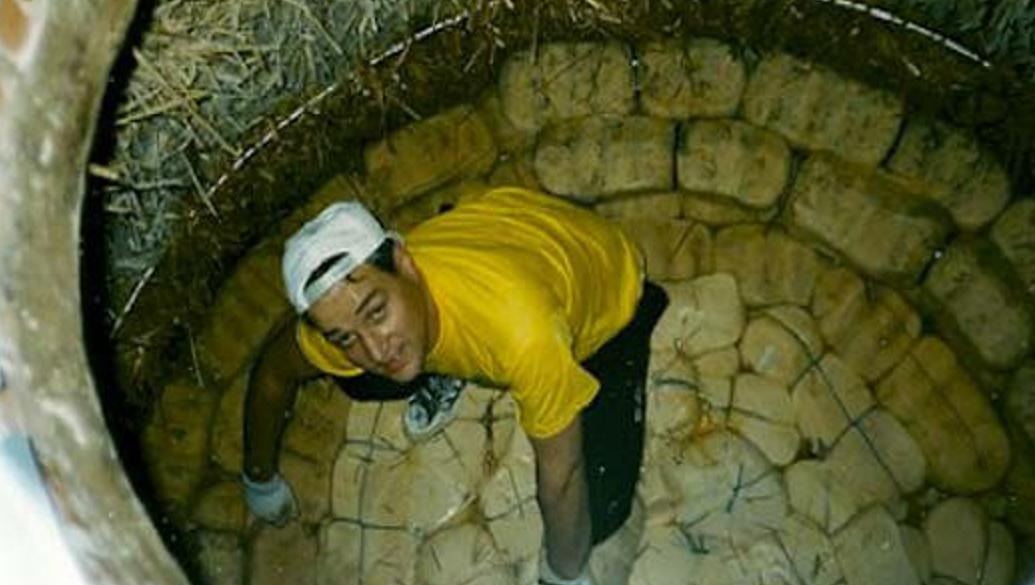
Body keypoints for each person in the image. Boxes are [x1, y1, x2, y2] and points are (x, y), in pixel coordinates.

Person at [241, 186, 667, 584]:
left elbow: (564, 475)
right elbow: (274, 372)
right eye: (345, 337)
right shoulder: (354, 310)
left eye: (376, 312)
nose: (374, 349)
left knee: (600, 511)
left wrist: (563, 576)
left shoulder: (523, 334)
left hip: (606, 285)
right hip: (498, 227)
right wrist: (260, 480)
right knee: (359, 379)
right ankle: (443, 355)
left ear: (405, 263)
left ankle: (632, 316)